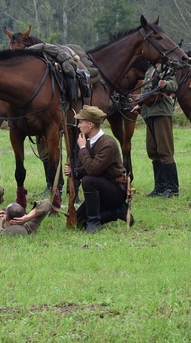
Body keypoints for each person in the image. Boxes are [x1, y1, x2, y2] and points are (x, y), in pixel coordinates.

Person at [64, 105, 131, 233]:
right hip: (102, 188)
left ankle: (94, 222)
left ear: (90, 125)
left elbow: (93, 170)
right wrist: (74, 171)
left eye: (81, 122)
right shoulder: (90, 141)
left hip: (115, 190)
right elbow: (88, 167)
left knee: (89, 180)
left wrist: (83, 149)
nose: (78, 126)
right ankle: (117, 212)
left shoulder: (107, 144)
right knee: (78, 222)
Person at [131, 58, 179, 197]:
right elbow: (148, 91)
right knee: (153, 150)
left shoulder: (166, 68)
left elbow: (174, 85)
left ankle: (172, 188)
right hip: (149, 112)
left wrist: (165, 84)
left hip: (161, 112)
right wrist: (140, 105)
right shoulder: (150, 69)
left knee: (164, 150)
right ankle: (160, 187)